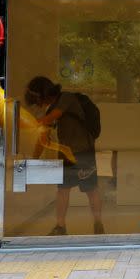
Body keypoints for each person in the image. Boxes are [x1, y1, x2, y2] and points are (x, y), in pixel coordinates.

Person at [24, 76, 104, 235]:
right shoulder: (52, 108)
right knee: (62, 190)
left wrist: (30, 123)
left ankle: (98, 224)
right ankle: (60, 226)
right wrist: (33, 159)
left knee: (91, 189)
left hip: (84, 152)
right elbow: (43, 135)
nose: (39, 104)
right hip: (65, 153)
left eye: (38, 99)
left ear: (44, 94)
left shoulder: (66, 99)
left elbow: (51, 118)